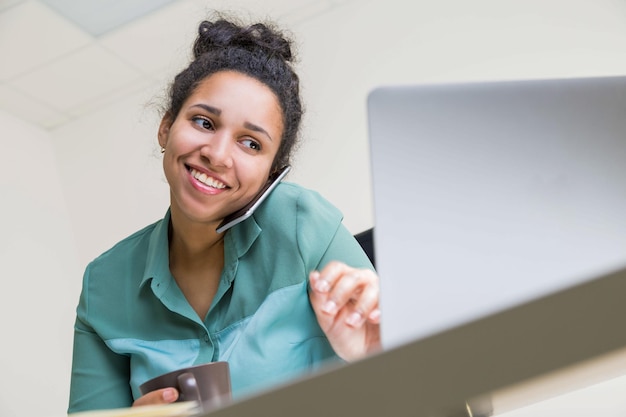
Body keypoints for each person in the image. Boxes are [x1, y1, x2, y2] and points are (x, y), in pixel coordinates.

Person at [68, 13, 380, 414]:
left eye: (251, 143)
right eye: (203, 122)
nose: (216, 155)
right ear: (166, 128)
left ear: (273, 173)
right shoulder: (104, 286)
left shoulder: (303, 224)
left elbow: (415, 374)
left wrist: (376, 354)